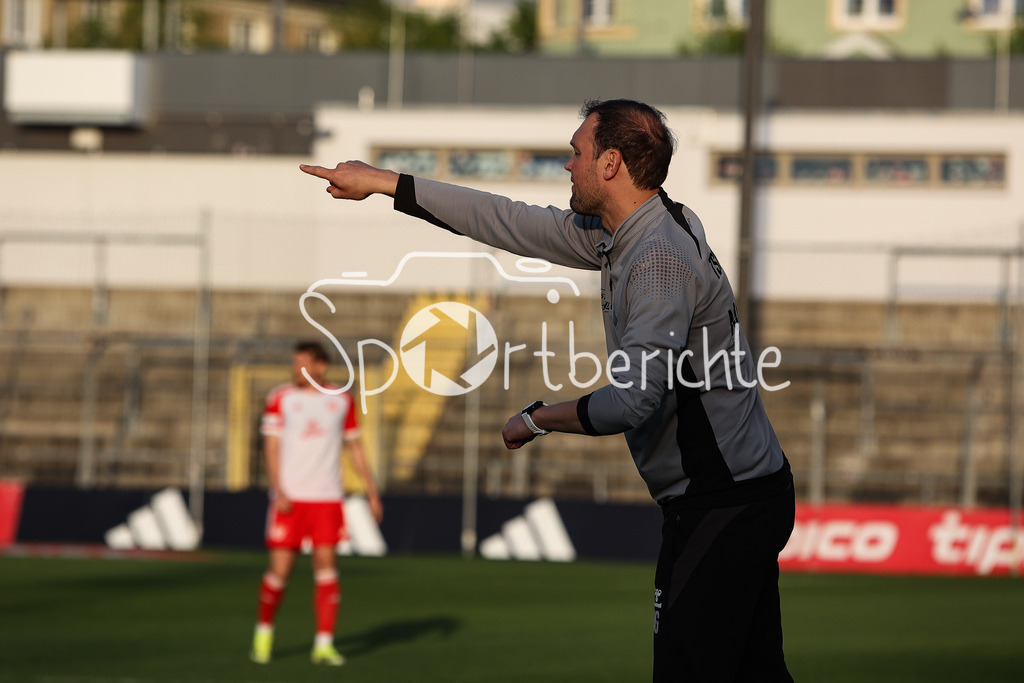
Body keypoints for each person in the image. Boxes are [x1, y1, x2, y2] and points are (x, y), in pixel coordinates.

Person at [300, 99, 795, 681]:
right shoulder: (637, 228)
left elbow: (631, 401)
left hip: (723, 503)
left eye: (576, 152)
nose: (568, 165)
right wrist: (385, 183)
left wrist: (539, 418)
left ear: (610, 163)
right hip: (738, 495)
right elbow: (505, 220)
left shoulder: (658, 259)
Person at [249, 340, 384, 666]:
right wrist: (278, 488)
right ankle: (263, 633)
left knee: (326, 569)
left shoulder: (341, 400)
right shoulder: (281, 398)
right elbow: (270, 447)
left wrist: (371, 491)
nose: (297, 370)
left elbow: (355, 447)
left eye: (303, 364)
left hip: (327, 499)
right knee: (279, 571)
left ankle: (323, 644)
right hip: (290, 499)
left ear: (321, 366)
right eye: (295, 364)